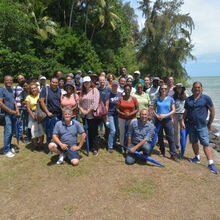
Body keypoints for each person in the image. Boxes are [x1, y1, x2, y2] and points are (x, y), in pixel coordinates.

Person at [182, 82, 218, 174]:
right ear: (192, 89)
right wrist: (182, 120)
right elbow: (186, 111)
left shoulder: (206, 98)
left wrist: (209, 123)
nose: (197, 89)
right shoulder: (188, 99)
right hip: (191, 125)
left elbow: (212, 111)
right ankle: (196, 157)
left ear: (201, 89)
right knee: (194, 142)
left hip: (202, 125)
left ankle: (211, 163)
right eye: (195, 87)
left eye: (198, 87)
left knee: (205, 144)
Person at [153, 83, 178, 162]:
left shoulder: (171, 99)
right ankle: (162, 152)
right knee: (160, 137)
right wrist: (157, 116)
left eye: (165, 89)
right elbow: (153, 109)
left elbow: (173, 110)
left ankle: (173, 154)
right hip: (159, 120)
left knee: (170, 137)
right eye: (162, 89)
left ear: (167, 90)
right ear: (160, 90)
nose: (163, 90)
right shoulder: (156, 99)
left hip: (167, 120)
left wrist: (165, 115)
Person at [78, 76, 100, 156]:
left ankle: (95, 148)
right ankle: (89, 145)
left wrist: (88, 111)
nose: (86, 84)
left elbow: (95, 103)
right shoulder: (82, 92)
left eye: (88, 82)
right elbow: (79, 103)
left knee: (93, 132)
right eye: (85, 82)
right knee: (87, 131)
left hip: (92, 115)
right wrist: (82, 110)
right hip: (84, 116)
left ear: (90, 82)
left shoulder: (95, 90)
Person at [0, 75, 20, 157]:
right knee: (8, 132)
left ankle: (8, 146)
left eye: (11, 80)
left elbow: (14, 100)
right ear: (4, 81)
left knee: (11, 132)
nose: (9, 82)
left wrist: (17, 109)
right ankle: (6, 150)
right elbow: (0, 103)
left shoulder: (11, 89)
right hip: (6, 114)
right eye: (7, 80)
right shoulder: (1, 90)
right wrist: (11, 111)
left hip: (13, 114)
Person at [40, 77, 62, 149]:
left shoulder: (59, 90)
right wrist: (47, 112)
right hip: (50, 115)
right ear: (50, 82)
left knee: (58, 132)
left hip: (59, 114)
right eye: (53, 82)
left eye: (56, 83)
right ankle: (50, 148)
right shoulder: (45, 89)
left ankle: (57, 146)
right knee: (49, 132)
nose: (54, 84)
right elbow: (41, 101)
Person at [116, 84, 139, 151]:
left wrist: (130, 114)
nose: (127, 91)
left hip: (132, 118)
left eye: (128, 89)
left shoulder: (134, 99)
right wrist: (123, 113)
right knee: (122, 132)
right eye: (126, 90)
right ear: (124, 90)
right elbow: (117, 109)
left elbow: (137, 109)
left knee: (131, 132)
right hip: (121, 117)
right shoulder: (120, 98)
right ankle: (122, 145)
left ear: (131, 90)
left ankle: (130, 146)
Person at [26, 82, 44, 152]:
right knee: (34, 130)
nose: (34, 89)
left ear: (37, 88)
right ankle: (36, 145)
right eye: (32, 88)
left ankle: (41, 144)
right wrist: (33, 117)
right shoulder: (28, 97)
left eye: (35, 88)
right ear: (30, 90)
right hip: (32, 113)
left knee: (41, 129)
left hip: (40, 113)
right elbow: (28, 108)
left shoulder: (40, 95)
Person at [105, 80, 121, 153]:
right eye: (113, 85)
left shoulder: (120, 94)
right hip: (110, 114)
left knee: (117, 131)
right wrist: (106, 117)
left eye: (116, 85)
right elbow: (106, 106)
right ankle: (110, 146)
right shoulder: (108, 94)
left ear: (117, 86)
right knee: (113, 130)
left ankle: (114, 144)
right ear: (112, 86)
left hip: (118, 115)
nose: (114, 87)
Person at [173, 83, 186, 150]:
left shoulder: (185, 95)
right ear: (176, 89)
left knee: (182, 131)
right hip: (175, 114)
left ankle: (182, 144)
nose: (179, 89)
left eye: (180, 87)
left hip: (182, 115)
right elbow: (171, 106)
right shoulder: (174, 96)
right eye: (177, 87)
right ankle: (176, 144)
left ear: (182, 88)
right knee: (175, 131)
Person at [13, 74, 25, 140]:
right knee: (19, 121)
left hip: (27, 107)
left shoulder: (27, 86)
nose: (21, 80)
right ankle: (20, 135)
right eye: (19, 79)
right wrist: (16, 108)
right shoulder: (15, 87)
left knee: (27, 122)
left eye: (22, 78)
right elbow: (13, 98)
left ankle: (28, 134)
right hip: (19, 107)